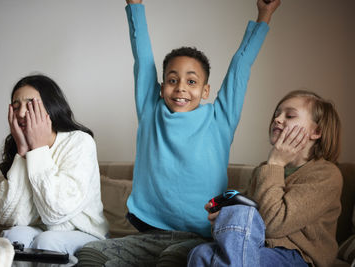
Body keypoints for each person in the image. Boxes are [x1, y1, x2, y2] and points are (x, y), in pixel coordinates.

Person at [77, 0, 279, 266]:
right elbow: (143, 58)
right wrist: (135, 5)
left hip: (198, 238)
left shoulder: (220, 119)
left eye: (192, 81)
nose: (181, 87)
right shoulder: (151, 110)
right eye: (173, 80)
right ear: (161, 87)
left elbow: (240, 67)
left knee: (173, 259)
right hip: (149, 234)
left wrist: (264, 15)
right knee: (89, 254)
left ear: (205, 91)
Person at [188, 90, 342, 267]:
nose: (277, 119)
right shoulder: (264, 170)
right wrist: (223, 212)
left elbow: (274, 223)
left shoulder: (326, 174)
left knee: (240, 216)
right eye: (277, 114)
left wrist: (275, 163)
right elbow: (249, 212)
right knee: (200, 253)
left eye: (289, 115)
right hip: (257, 247)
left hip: (297, 257)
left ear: (317, 131)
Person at [0, 74, 108, 255]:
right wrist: (23, 153)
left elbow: (56, 212)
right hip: (42, 230)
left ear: (50, 107)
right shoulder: (19, 149)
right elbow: (10, 218)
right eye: (16, 107)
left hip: (84, 233)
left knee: (47, 241)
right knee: (14, 236)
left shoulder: (80, 142)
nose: (22, 113)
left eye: (31, 105)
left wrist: (37, 149)